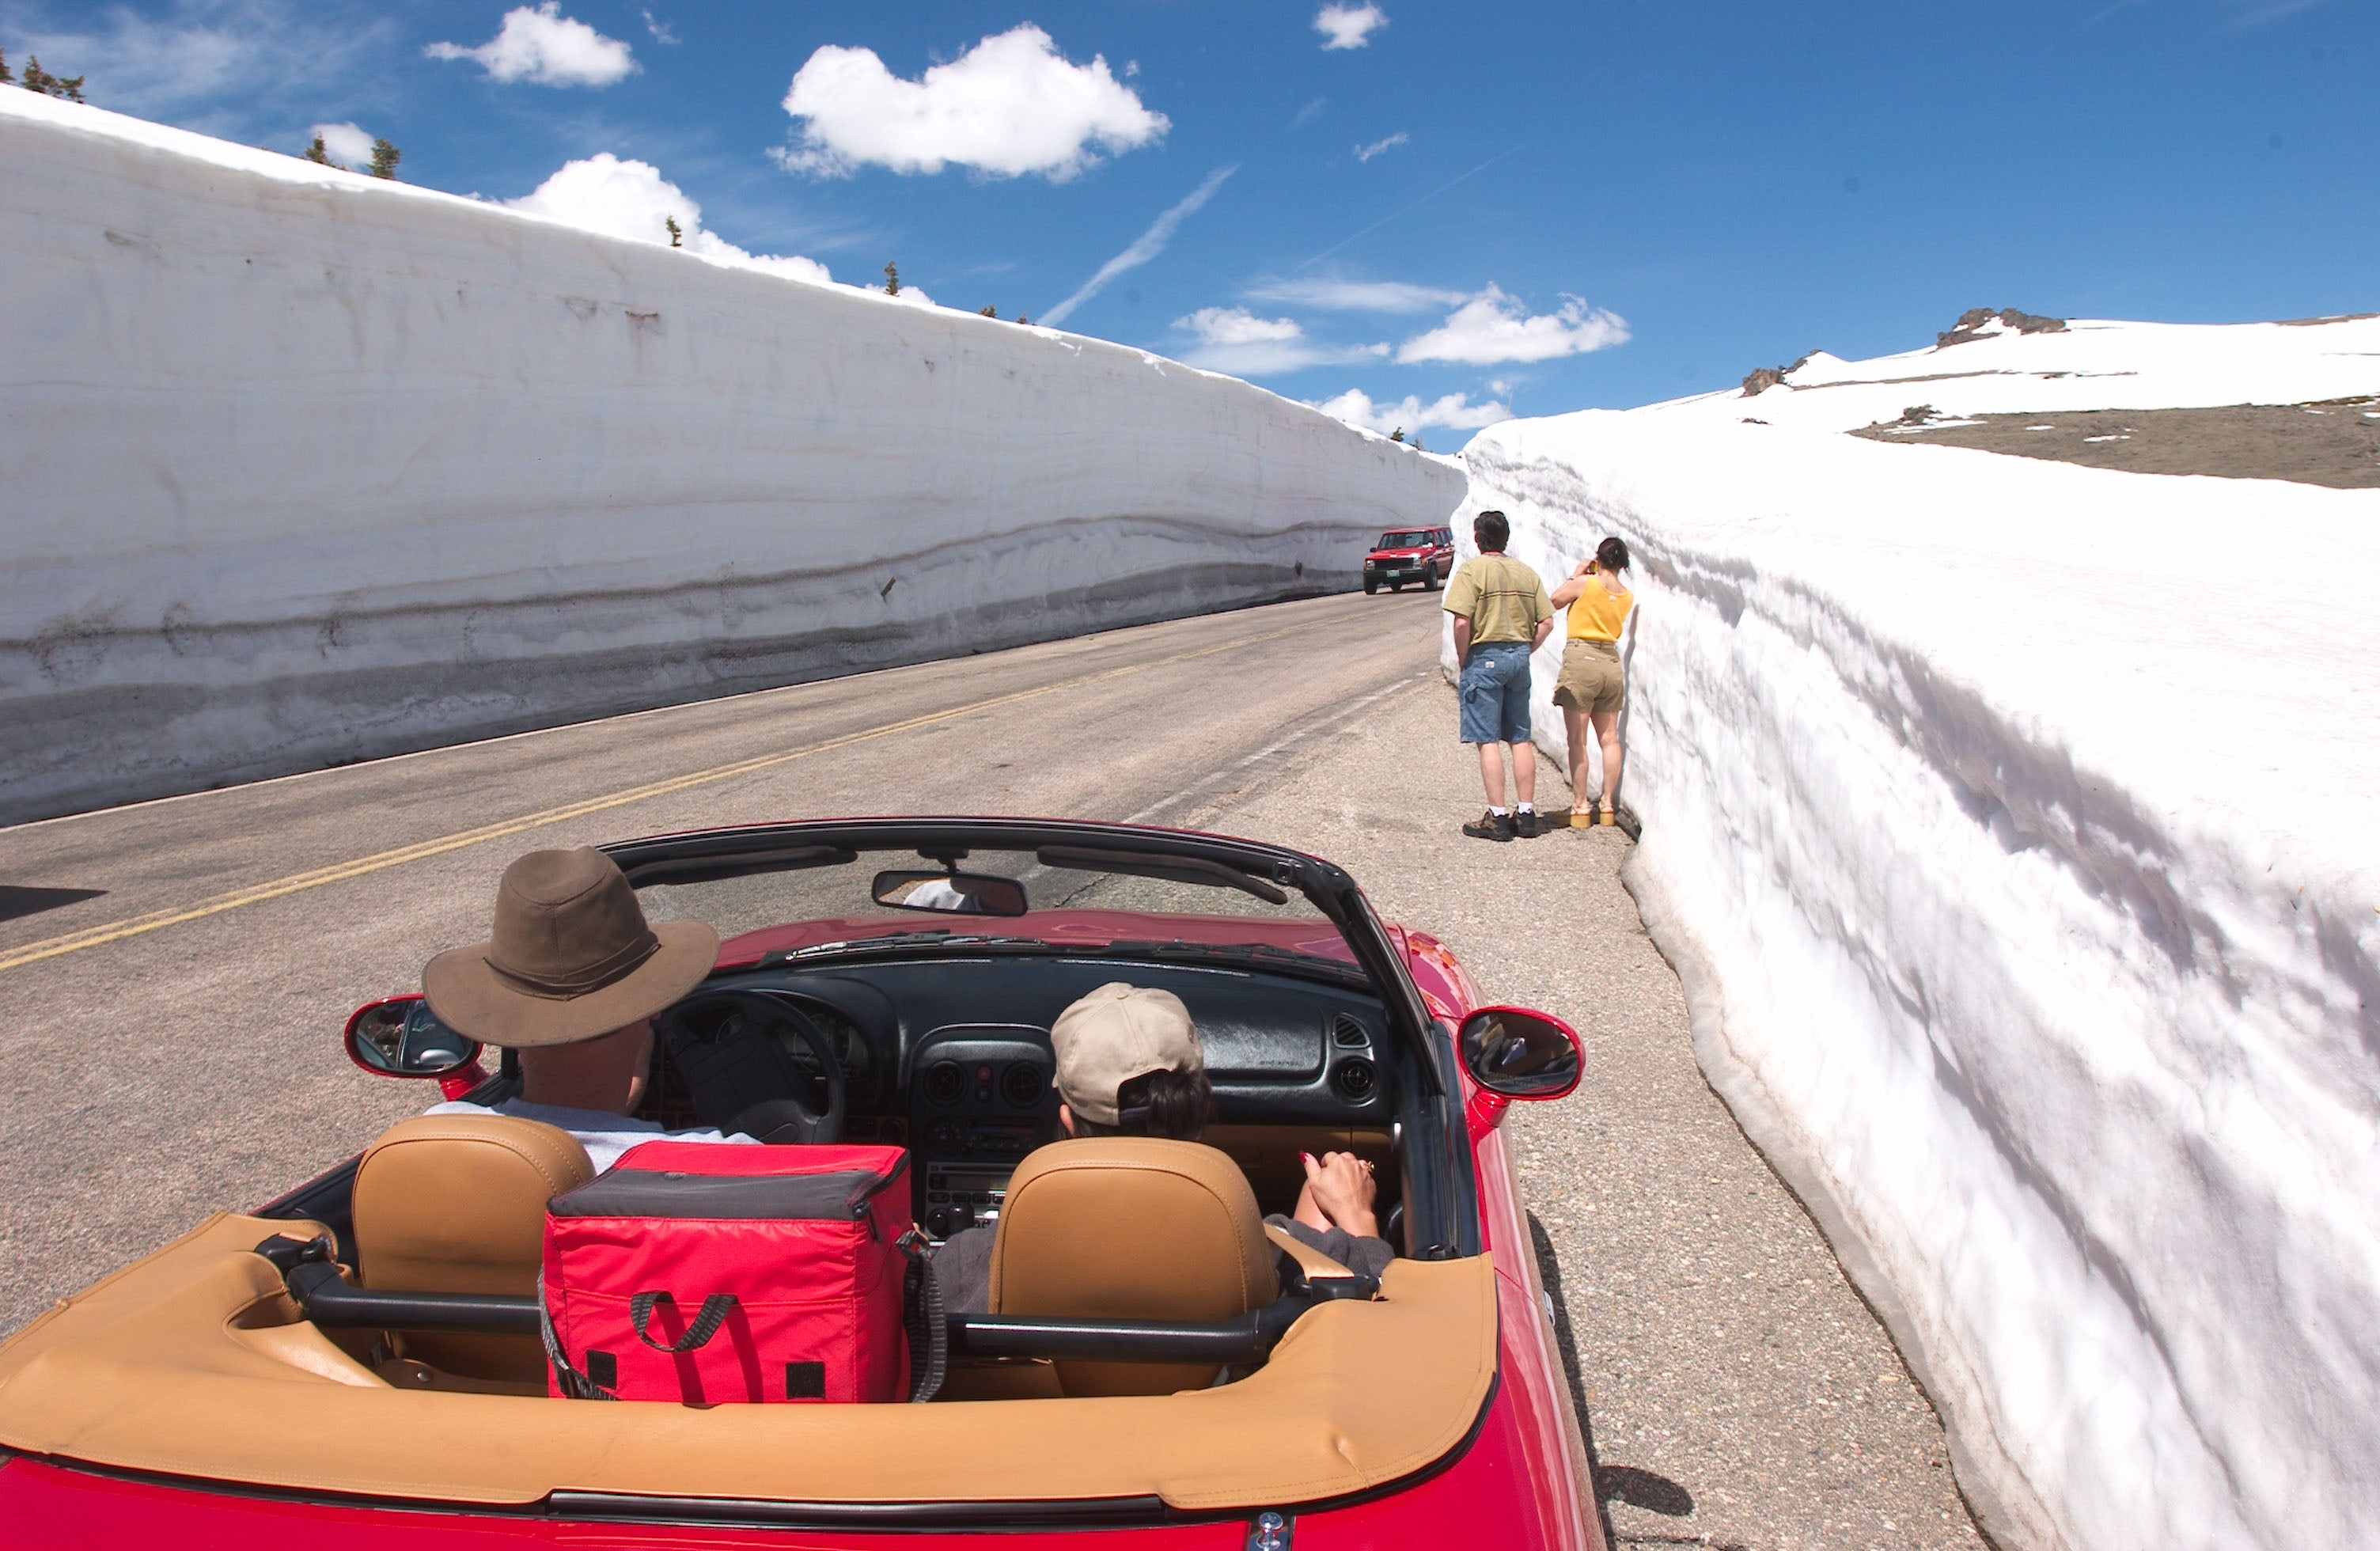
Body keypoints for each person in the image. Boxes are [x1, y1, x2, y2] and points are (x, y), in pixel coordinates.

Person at [934, 982, 1394, 1313]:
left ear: (1068, 1121)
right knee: (1322, 1195)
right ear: (1200, 1107)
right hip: (1215, 1430)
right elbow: (1384, 1306)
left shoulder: (966, 1265)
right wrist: (1357, 1216)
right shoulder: (1269, 1254)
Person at [419, 847, 754, 1171]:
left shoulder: (430, 1144)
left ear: (507, 1023)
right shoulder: (727, 1165)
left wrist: (608, 1113)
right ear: (653, 1006)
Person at [1442, 510, 1555, 840]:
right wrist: (1522, 652)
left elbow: (1462, 622)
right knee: (1519, 736)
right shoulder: (1526, 573)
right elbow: (1546, 622)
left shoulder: (1472, 571)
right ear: (1506, 539)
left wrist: (1465, 659)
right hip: (1519, 656)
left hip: (1484, 656)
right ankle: (1527, 813)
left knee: (1487, 739)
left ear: (1478, 539)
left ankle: (1498, 817)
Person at [1550, 537, 1636, 825]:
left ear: (1598, 559)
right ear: (1623, 564)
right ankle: (1608, 805)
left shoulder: (1585, 584)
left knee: (1578, 740)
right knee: (1609, 739)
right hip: (1611, 664)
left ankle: (1581, 807)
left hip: (1582, 658)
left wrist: (1576, 575)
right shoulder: (1626, 596)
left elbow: (1554, 600)